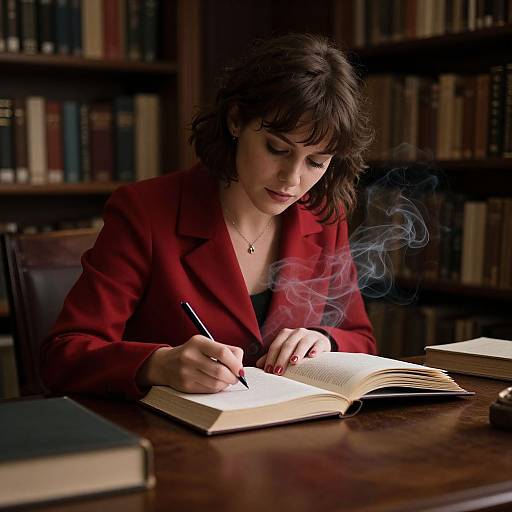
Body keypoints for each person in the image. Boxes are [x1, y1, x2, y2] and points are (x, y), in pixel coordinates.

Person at [40, 33, 376, 400]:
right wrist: (158, 364)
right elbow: (63, 355)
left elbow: (361, 339)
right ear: (236, 120)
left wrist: (325, 340)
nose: (293, 180)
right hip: (172, 442)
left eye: (316, 162)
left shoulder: (324, 217)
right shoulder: (146, 211)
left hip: (292, 437)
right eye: (277, 149)